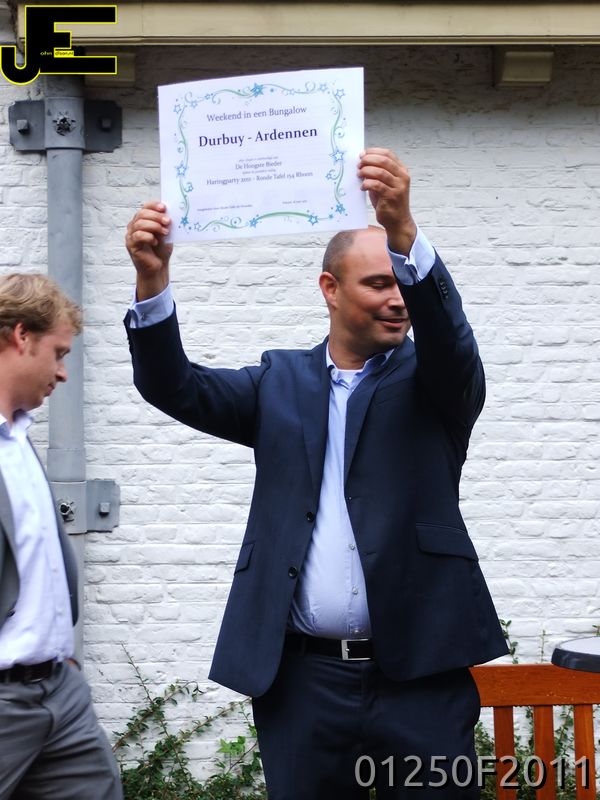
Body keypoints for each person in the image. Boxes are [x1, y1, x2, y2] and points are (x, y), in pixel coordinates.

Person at [125, 148, 508, 799]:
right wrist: (152, 281)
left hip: (419, 679)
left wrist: (403, 230)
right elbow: (175, 387)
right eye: (378, 284)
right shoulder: (278, 383)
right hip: (304, 685)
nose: (397, 300)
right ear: (330, 289)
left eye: (401, 282)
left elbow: (449, 337)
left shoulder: (437, 383)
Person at [0, 273, 123, 800]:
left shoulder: (17, 437)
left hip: (59, 690)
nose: (63, 373)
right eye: (59, 353)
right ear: (21, 336)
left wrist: (59, 656)